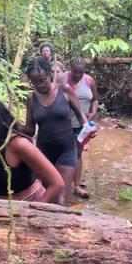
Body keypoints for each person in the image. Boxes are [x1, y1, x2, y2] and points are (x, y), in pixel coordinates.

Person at [25, 59, 87, 205]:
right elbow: (29, 130)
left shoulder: (64, 89)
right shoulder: (31, 99)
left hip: (67, 150)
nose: (40, 85)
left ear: (49, 75)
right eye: (35, 82)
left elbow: (80, 116)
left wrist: (88, 128)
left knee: (60, 200)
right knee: (46, 197)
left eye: (43, 80)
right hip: (43, 153)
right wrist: (10, 123)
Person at [63, 57, 99, 198]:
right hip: (63, 123)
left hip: (81, 124)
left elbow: (95, 100)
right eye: (75, 72)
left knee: (78, 152)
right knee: (63, 153)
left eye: (81, 72)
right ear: (70, 69)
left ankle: (76, 186)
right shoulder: (62, 78)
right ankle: (61, 184)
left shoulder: (89, 80)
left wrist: (93, 112)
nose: (78, 75)